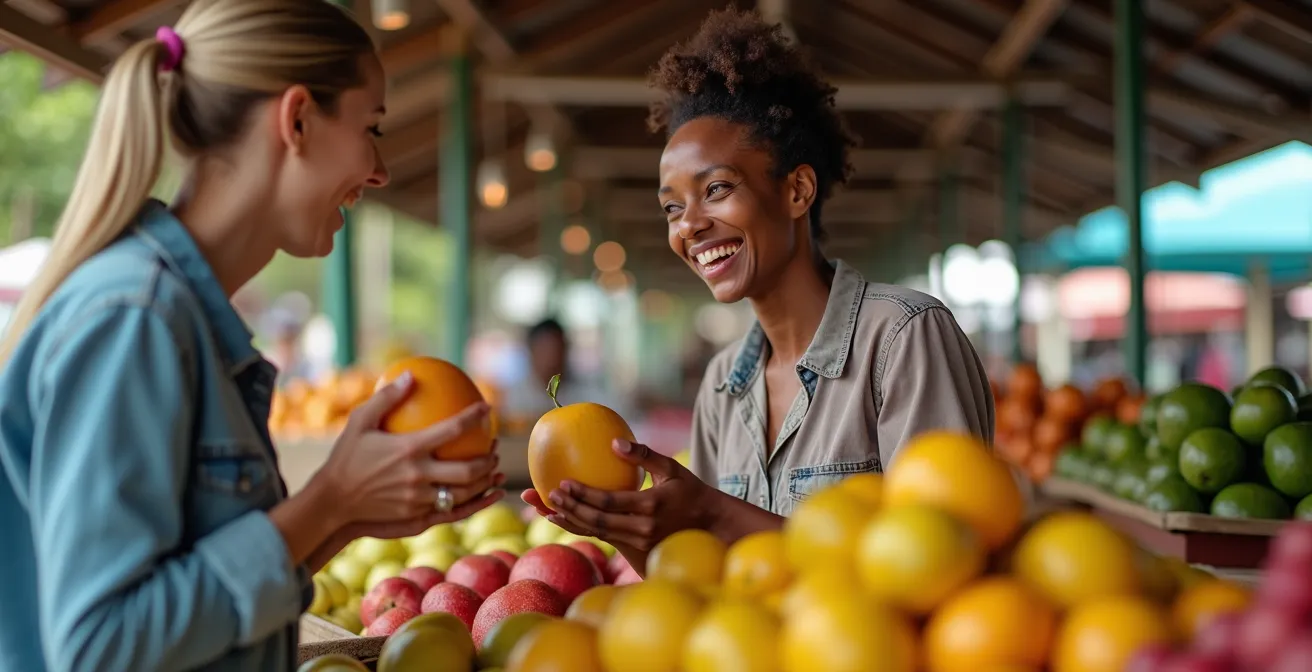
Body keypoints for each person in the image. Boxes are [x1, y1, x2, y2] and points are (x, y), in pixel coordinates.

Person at [0, 0, 503, 669]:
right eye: (370, 127)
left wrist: (350, 517)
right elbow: (101, 646)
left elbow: (183, 605)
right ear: (296, 119)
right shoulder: (137, 319)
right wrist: (326, 503)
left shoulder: (182, 318)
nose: (379, 170)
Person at [523, 8, 994, 573]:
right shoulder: (722, 387)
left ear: (796, 191)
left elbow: (942, 567)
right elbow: (715, 581)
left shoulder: (902, 339)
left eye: (716, 189)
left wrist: (714, 514)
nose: (688, 226)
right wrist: (632, 531)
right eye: (673, 208)